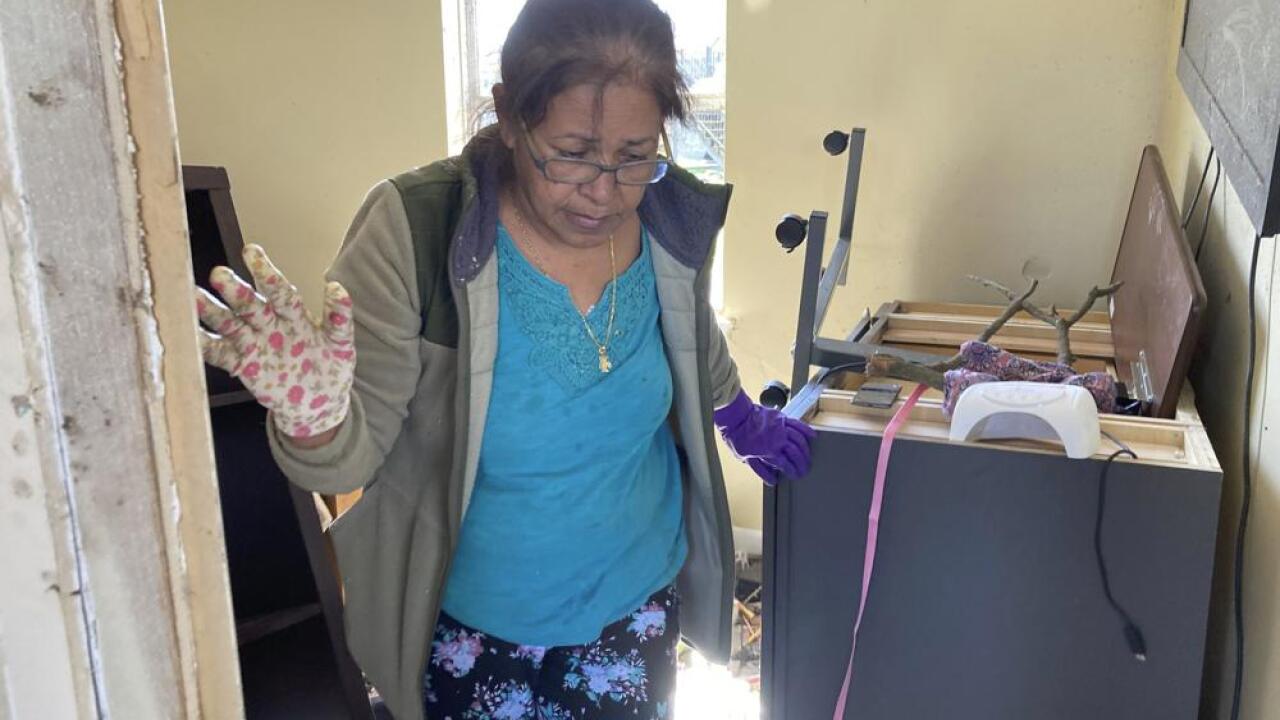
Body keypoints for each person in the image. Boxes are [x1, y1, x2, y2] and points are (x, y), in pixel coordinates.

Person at [196, 1, 814, 717]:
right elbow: (347, 462)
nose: (606, 191)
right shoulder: (417, 229)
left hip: (632, 605)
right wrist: (316, 416)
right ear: (510, 115)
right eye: (573, 152)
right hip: (471, 626)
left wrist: (737, 413)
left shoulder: (667, 217)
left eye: (635, 154)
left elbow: (687, 332)